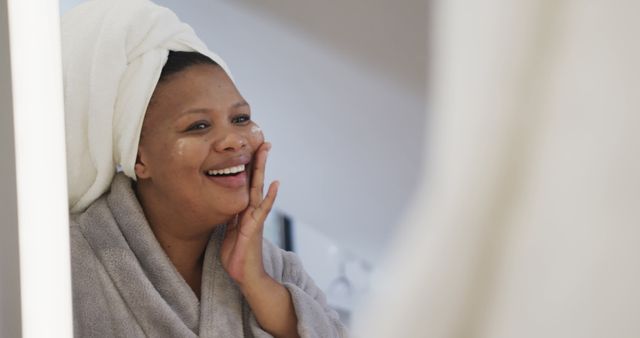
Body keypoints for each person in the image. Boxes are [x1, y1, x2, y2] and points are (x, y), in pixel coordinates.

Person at [63, 0, 346, 337]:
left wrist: (255, 282)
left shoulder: (278, 270)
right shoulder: (66, 268)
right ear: (140, 159)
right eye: (197, 126)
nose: (234, 140)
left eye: (241, 118)